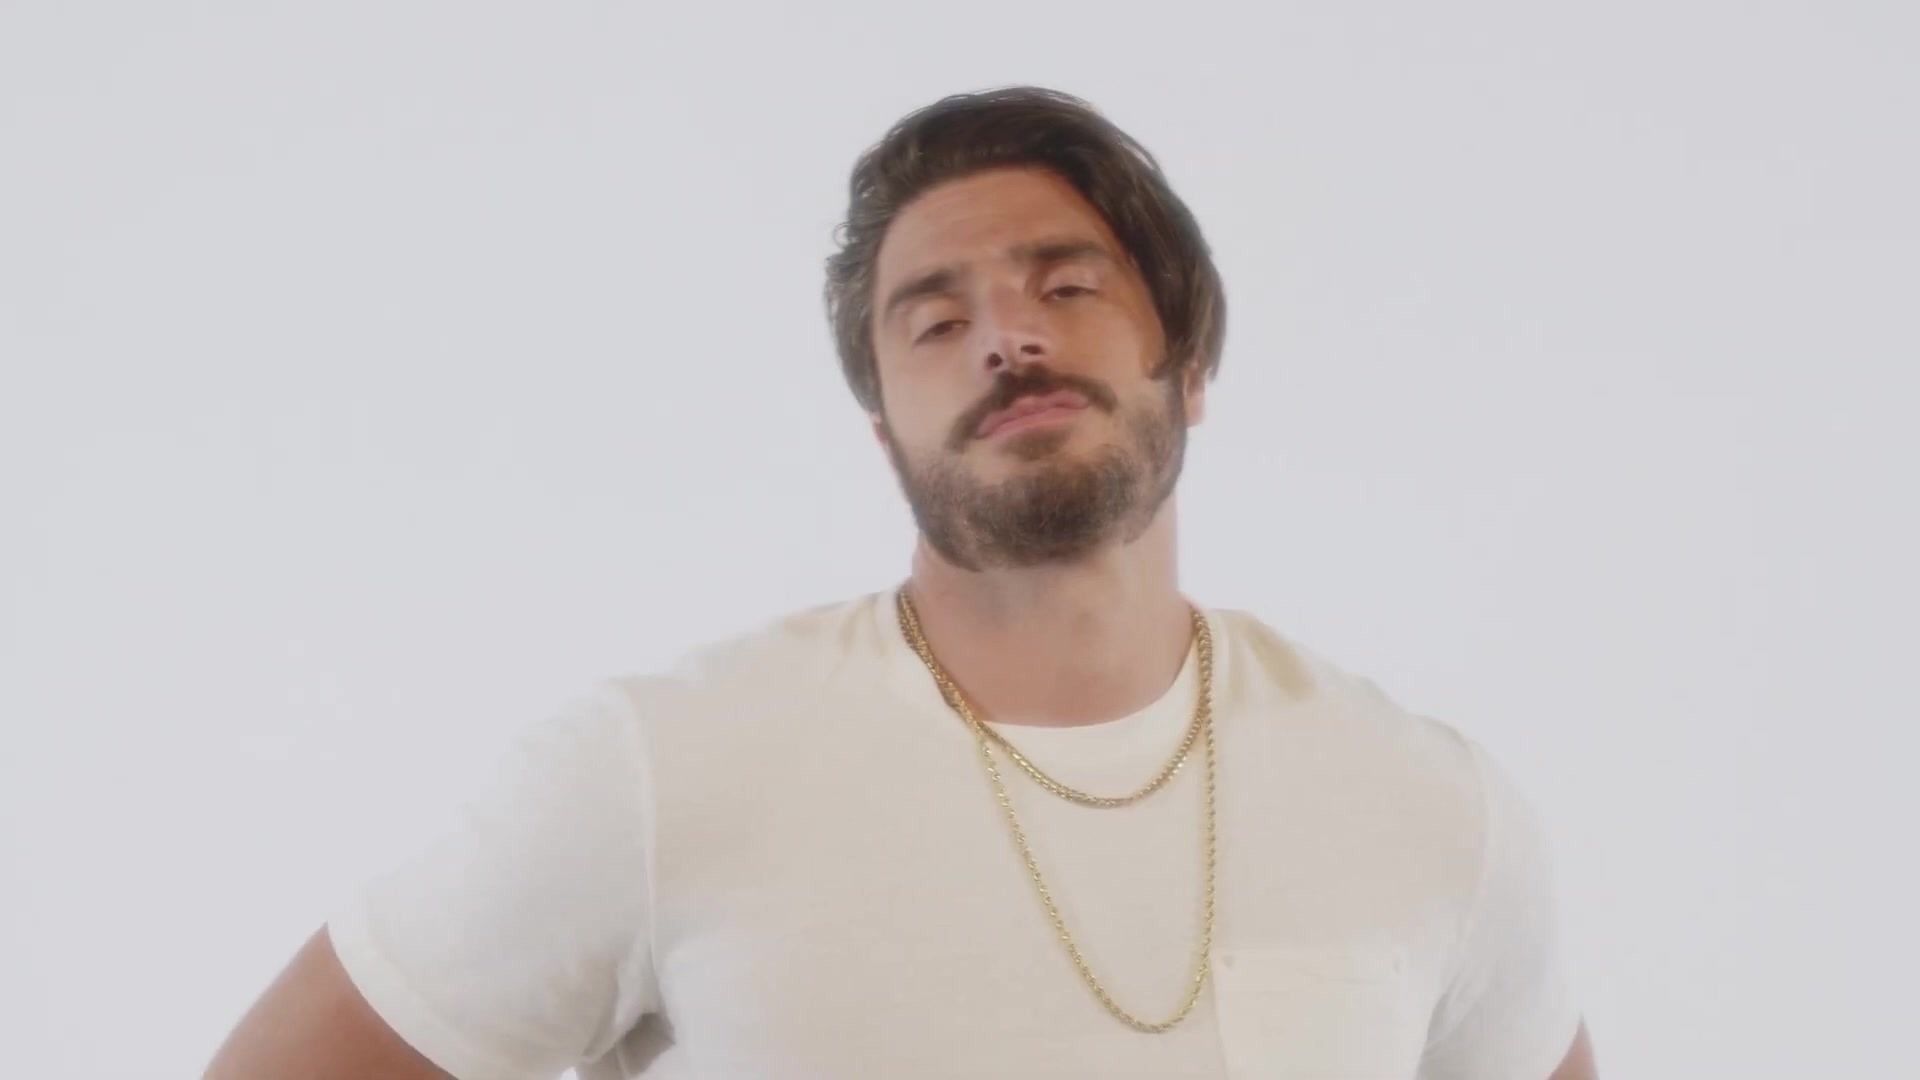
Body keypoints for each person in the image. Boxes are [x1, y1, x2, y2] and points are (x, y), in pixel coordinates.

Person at [204, 86, 1599, 1079]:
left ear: (1187, 365)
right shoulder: (661, 771)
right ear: (883, 429)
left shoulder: (1428, 806)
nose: (1007, 340)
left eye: (1067, 288)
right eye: (935, 321)